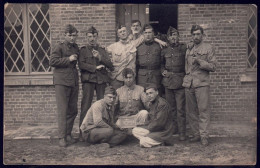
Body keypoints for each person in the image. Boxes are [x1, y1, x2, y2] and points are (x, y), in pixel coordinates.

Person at [182, 25, 217, 146]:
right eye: (194, 34)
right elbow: (186, 66)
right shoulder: (189, 48)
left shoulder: (208, 48)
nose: (196, 36)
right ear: (191, 36)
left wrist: (200, 61)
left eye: (198, 34)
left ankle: (204, 136)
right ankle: (196, 134)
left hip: (202, 83)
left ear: (202, 35)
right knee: (191, 111)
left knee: (203, 110)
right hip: (189, 83)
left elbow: (213, 66)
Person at [106, 22, 167, 90]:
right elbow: (105, 58)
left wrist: (159, 41)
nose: (123, 33)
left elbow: (147, 37)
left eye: (124, 31)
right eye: (120, 32)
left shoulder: (134, 44)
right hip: (118, 78)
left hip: (131, 78)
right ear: (118, 35)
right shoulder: (112, 47)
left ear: (128, 32)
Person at [78, 26, 114, 141]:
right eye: (89, 37)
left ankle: (103, 132)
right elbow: (81, 65)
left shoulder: (102, 50)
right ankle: (82, 133)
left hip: (101, 81)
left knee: (103, 106)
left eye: (94, 36)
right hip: (88, 80)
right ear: (86, 37)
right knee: (86, 106)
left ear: (97, 36)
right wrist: (95, 67)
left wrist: (100, 57)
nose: (92, 39)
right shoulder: (83, 50)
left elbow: (110, 65)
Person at [49, 24, 79, 147]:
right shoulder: (59, 47)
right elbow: (52, 61)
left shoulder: (75, 47)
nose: (72, 38)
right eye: (70, 35)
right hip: (61, 82)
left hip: (73, 82)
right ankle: (61, 137)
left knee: (73, 110)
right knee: (63, 110)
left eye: (74, 35)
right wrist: (68, 59)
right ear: (65, 35)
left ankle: (67, 134)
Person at [161, 27, 187, 141]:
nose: (174, 37)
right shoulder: (164, 50)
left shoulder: (183, 48)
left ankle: (182, 132)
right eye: (171, 35)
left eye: (175, 35)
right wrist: (163, 71)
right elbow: (161, 64)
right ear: (168, 38)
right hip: (168, 82)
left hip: (180, 81)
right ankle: (173, 130)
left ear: (178, 36)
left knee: (180, 108)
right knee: (170, 108)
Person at [132, 83, 174, 148]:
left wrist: (147, 129)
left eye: (151, 93)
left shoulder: (162, 104)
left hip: (163, 132)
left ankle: (162, 142)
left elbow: (159, 123)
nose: (149, 95)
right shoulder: (152, 103)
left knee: (143, 141)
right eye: (147, 94)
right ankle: (152, 140)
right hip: (154, 129)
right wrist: (144, 127)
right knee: (135, 130)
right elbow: (151, 119)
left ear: (157, 92)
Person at [136, 24, 163, 95]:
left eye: (150, 32)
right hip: (142, 77)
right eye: (146, 33)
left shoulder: (159, 47)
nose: (148, 35)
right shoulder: (138, 48)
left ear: (153, 34)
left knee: (156, 96)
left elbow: (163, 62)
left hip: (155, 76)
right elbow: (136, 64)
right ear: (143, 34)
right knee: (142, 96)